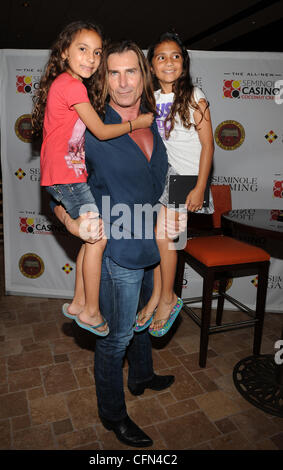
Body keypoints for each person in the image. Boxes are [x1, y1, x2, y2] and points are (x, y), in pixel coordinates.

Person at [53, 40, 187, 448]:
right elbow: (58, 191)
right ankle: (113, 415)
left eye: (132, 71)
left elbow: (166, 181)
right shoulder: (89, 126)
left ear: (144, 75)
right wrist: (73, 225)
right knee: (115, 339)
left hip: (153, 242)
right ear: (102, 76)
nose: (124, 82)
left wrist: (176, 222)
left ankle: (142, 375)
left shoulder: (155, 121)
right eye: (114, 72)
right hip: (117, 253)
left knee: (142, 323)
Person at [31, 21, 153, 337]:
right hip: (67, 178)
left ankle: (77, 304)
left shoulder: (68, 84)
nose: (91, 58)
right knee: (97, 239)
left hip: (67, 176)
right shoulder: (71, 85)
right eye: (82, 49)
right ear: (64, 52)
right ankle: (90, 310)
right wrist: (136, 124)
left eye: (97, 52)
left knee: (90, 239)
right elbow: (99, 130)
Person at [134, 31, 214, 337]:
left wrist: (199, 186)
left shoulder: (196, 96)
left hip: (188, 179)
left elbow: (208, 146)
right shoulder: (151, 99)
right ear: (151, 66)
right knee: (160, 240)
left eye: (176, 56)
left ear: (185, 62)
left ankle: (167, 297)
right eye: (161, 57)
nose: (169, 62)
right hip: (164, 177)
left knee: (165, 239)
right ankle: (158, 295)